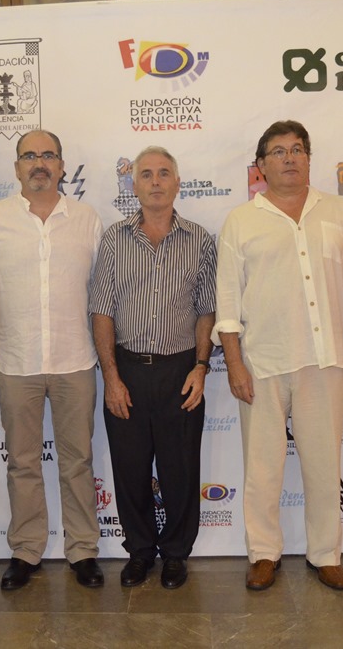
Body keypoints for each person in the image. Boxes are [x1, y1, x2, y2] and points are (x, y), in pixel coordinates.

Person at [214, 120, 343, 592]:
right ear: (261, 165)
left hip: (323, 359)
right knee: (262, 468)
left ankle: (326, 554)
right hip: (261, 362)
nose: (289, 158)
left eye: (297, 149)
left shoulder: (337, 211)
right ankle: (263, 554)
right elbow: (228, 300)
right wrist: (234, 363)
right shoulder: (241, 220)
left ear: (308, 158)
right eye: (278, 151)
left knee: (324, 465)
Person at [0, 129, 105, 590]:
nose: (39, 163)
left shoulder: (87, 219)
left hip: (74, 358)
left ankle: (83, 550)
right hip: (17, 360)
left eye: (48, 155)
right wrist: (13, 327)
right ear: (17, 168)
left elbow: (97, 289)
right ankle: (26, 550)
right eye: (29, 156)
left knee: (78, 461)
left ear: (62, 166)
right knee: (23, 462)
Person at [91, 146, 216, 589]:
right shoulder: (114, 239)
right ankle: (140, 551)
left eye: (164, 173)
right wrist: (111, 377)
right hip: (127, 369)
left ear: (178, 183)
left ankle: (176, 553)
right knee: (130, 469)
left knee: (180, 468)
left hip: (180, 370)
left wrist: (200, 367)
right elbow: (102, 311)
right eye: (146, 174)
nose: (156, 181)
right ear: (134, 185)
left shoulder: (200, 240)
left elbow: (207, 311)